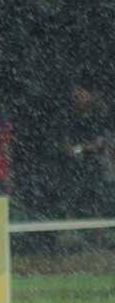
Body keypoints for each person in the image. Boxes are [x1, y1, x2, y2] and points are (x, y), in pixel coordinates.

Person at [61, 79, 108, 219]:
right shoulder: (72, 116)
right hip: (75, 164)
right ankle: (70, 229)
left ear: (91, 98)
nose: (81, 99)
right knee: (72, 199)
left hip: (92, 162)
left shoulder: (97, 117)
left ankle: (98, 231)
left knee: (96, 200)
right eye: (79, 96)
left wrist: (82, 147)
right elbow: (66, 138)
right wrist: (69, 148)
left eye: (84, 96)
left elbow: (99, 143)